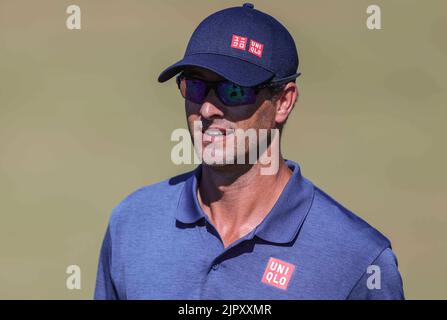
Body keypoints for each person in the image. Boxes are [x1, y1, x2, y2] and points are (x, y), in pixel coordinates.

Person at [94, 3, 404, 299]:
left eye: (234, 90)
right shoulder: (132, 224)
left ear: (283, 101)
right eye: (195, 86)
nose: (207, 109)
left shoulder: (359, 260)